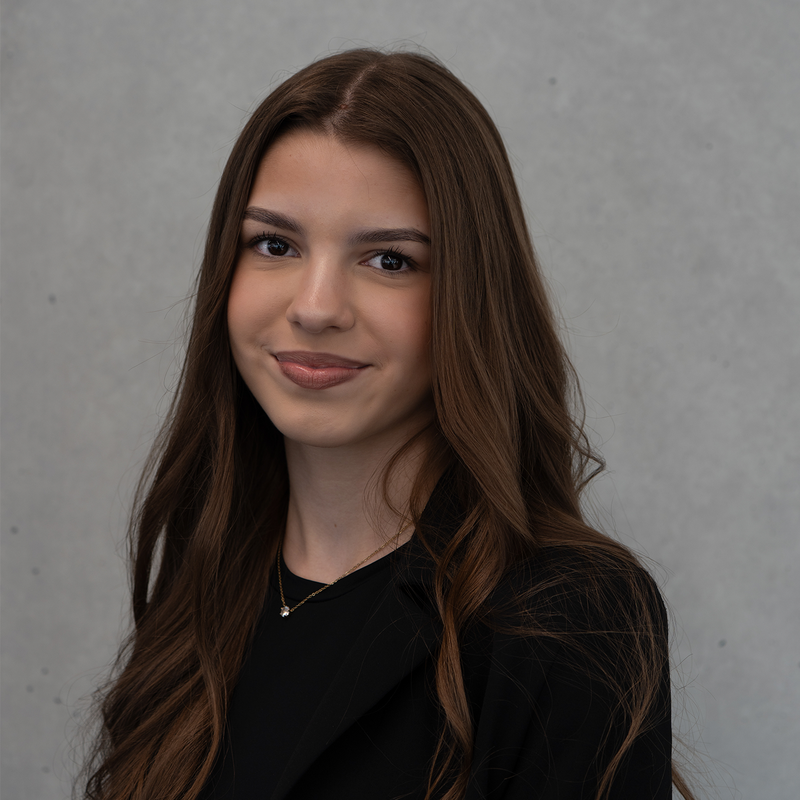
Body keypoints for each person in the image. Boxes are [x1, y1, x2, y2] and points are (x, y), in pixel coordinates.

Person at [82, 49, 695, 800]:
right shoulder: (206, 583)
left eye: (389, 261)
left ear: (471, 296)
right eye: (275, 244)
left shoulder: (568, 617)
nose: (315, 307)